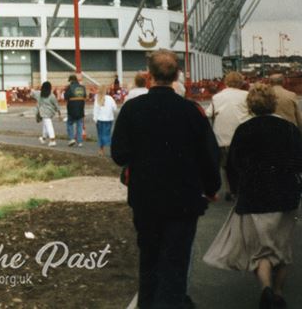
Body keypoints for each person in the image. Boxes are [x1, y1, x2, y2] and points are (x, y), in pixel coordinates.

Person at [111, 50, 221, 309]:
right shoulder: (192, 111)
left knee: (149, 257)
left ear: (149, 76)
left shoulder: (132, 109)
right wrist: (211, 187)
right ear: (177, 75)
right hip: (183, 199)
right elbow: (209, 154)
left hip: (146, 198)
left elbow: (119, 154)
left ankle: (147, 303)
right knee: (175, 261)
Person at [203, 84, 302, 308]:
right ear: (274, 103)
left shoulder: (243, 130)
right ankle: (278, 292)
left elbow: (233, 165)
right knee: (282, 248)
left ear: (250, 105)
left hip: (254, 197)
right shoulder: (288, 129)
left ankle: (266, 288)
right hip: (285, 195)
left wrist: (237, 189)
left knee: (261, 251)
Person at [206, 71, 251, 201]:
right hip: (242, 136)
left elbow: (208, 113)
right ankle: (241, 189)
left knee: (225, 166)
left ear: (226, 82)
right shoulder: (246, 95)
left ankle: (228, 190)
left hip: (222, 136)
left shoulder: (217, 97)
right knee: (242, 164)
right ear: (241, 82)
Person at [91, 85, 118, 156]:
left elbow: (95, 110)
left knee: (100, 135)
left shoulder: (97, 98)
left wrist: (95, 119)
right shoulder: (110, 98)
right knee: (107, 134)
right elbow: (115, 108)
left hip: (100, 119)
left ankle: (101, 150)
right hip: (109, 119)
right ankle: (112, 149)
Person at [34, 81, 60, 146]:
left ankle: (52, 140)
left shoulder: (39, 94)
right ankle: (43, 138)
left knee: (48, 125)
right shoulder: (52, 95)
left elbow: (32, 93)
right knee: (45, 125)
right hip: (50, 112)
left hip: (43, 112)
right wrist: (59, 111)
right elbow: (56, 104)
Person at [64, 74, 87, 147]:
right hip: (80, 108)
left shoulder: (69, 87)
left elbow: (65, 97)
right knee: (79, 124)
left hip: (71, 108)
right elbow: (85, 96)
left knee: (70, 123)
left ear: (71, 80)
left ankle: (71, 139)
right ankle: (80, 142)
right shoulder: (82, 87)